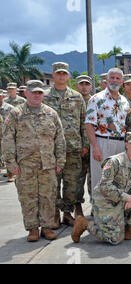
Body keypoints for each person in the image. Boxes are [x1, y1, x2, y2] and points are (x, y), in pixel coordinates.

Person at [2, 80, 66, 242]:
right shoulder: (16, 114)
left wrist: (60, 161)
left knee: (48, 196)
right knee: (27, 197)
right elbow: (7, 139)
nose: (37, 95)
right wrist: (11, 163)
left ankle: (46, 227)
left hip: (48, 164)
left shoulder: (51, 113)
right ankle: (32, 229)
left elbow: (60, 139)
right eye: (33, 92)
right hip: (25, 165)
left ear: (43, 94)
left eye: (39, 92)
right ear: (26, 93)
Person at [72, 132, 131, 245]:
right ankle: (85, 224)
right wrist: (127, 197)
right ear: (126, 144)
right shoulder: (114, 161)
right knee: (115, 239)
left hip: (121, 199)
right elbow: (105, 186)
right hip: (105, 201)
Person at [44, 62, 88, 227]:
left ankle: (68, 213)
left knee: (72, 183)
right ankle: (54, 213)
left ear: (68, 76)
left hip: (73, 148)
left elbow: (84, 123)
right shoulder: (46, 97)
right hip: (52, 149)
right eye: (58, 73)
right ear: (53, 75)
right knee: (53, 183)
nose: (61, 76)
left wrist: (85, 145)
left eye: (64, 73)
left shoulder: (77, 97)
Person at [85, 68, 130, 191]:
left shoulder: (125, 101)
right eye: (112, 78)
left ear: (122, 82)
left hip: (120, 143)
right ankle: (97, 209)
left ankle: (115, 210)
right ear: (107, 79)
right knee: (100, 178)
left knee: (117, 178)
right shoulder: (96, 99)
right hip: (102, 142)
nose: (114, 80)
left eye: (117, 78)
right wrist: (95, 147)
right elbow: (89, 124)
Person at [75, 75, 94, 217]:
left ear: (91, 87)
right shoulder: (73, 100)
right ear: (77, 86)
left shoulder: (96, 101)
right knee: (77, 179)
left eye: (87, 84)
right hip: (78, 148)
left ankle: (95, 205)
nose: (84, 87)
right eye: (81, 84)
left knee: (94, 178)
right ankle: (77, 207)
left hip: (95, 147)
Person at [0, 91, 15, 182]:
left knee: (8, 154)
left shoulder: (9, 108)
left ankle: (10, 174)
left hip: (6, 135)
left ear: (3, 96)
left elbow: (13, 121)